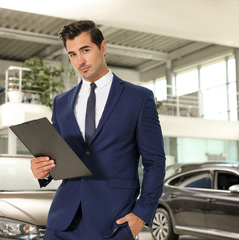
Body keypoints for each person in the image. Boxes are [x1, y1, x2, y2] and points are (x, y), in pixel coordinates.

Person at [30, 20, 166, 240]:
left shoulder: (138, 98)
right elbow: (58, 158)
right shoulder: (61, 102)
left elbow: (155, 162)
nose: (80, 61)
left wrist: (141, 214)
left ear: (102, 47)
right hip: (63, 222)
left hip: (115, 222)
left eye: (85, 50)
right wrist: (42, 171)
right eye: (72, 54)